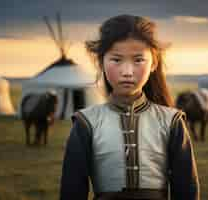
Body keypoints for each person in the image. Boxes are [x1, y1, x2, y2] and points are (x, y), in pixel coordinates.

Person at [60, 14, 200, 200]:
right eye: (116, 60)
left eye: (138, 60)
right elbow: (72, 191)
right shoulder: (87, 122)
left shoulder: (171, 121)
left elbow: (186, 190)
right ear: (101, 62)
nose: (127, 72)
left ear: (154, 63)